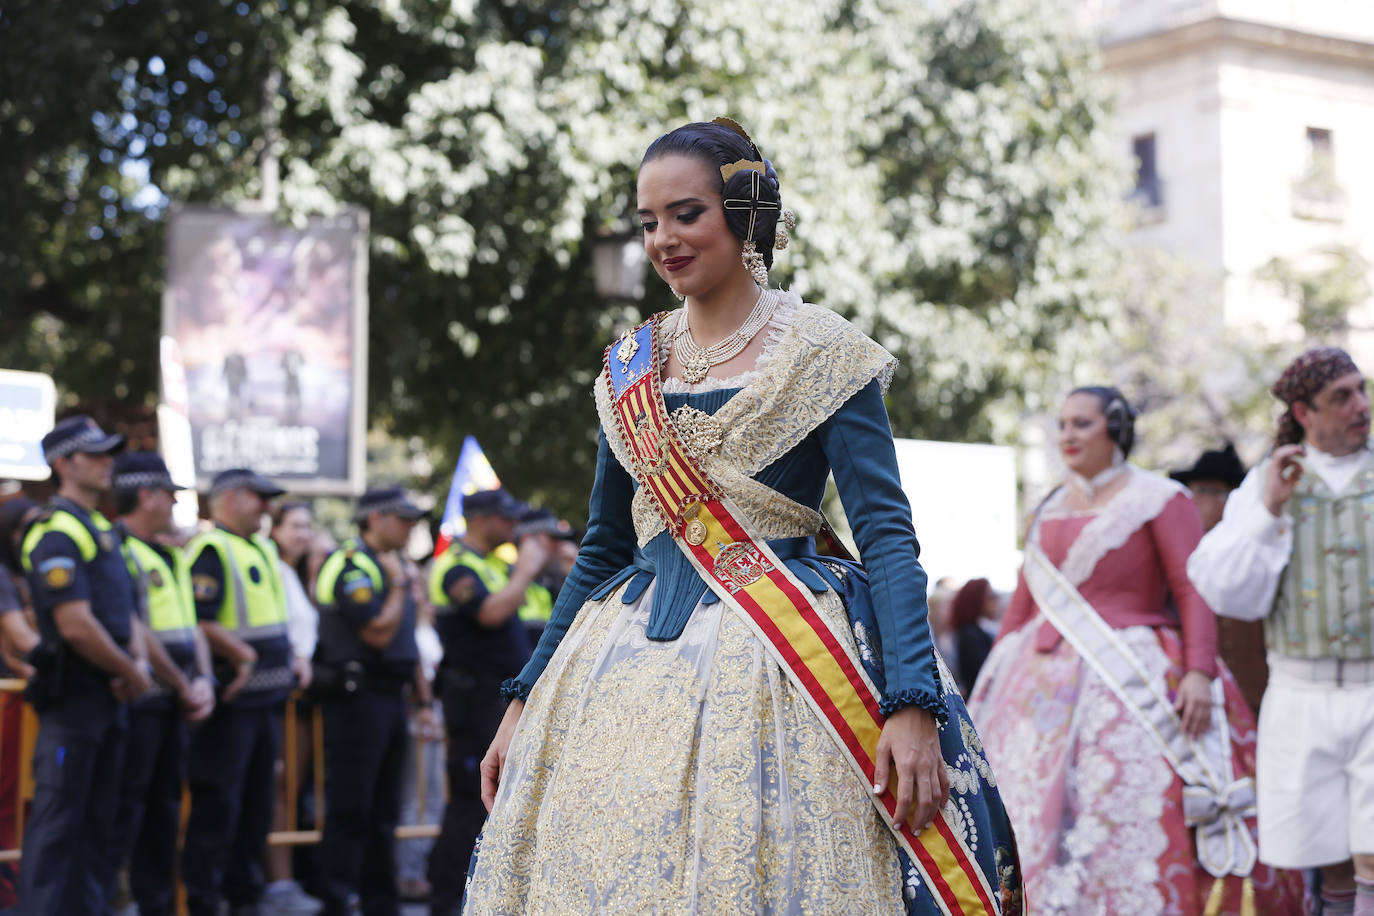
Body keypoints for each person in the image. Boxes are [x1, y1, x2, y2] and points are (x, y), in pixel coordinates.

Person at [462, 119, 1023, 915]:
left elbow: (889, 538)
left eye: (686, 213)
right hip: (614, 672)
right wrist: (525, 699)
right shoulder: (629, 367)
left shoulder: (826, 351)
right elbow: (601, 551)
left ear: (746, 211)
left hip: (784, 668)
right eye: (648, 222)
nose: (663, 240)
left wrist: (910, 702)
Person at [968, 387, 1300, 915]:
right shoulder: (1050, 504)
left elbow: (1193, 589)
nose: (1068, 435)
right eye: (1063, 424)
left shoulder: (1160, 498)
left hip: (1135, 674)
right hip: (1035, 684)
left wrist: (1197, 672)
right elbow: (1023, 603)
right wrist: (988, 682)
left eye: (1082, 424)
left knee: (1118, 804)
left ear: (1115, 428)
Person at [1188, 348, 1374, 916]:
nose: (1360, 406)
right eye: (1341, 396)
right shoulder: (1268, 483)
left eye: (1361, 390)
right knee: (1324, 852)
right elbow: (1223, 589)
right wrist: (1270, 509)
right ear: (1305, 410)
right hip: (1300, 692)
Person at [16, 416, 152, 914]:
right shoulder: (56, 532)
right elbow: (75, 624)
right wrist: (132, 671)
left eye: (107, 453)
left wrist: (134, 663)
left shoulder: (103, 530)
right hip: (74, 702)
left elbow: (126, 615)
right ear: (61, 464)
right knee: (58, 829)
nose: (106, 463)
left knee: (99, 827)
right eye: (94, 455)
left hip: (110, 698)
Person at [313, 486, 436, 916]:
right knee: (351, 807)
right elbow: (378, 633)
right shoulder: (352, 565)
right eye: (402, 519)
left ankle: (380, 902)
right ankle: (338, 898)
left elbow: (407, 644)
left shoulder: (393, 564)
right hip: (355, 701)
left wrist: (422, 703)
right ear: (376, 518)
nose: (409, 528)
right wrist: (401, 587)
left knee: (384, 811)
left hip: (390, 699)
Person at [426, 488, 548, 916]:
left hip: (497, 703)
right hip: (472, 701)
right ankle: (446, 901)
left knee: (495, 801)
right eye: (506, 518)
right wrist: (528, 570)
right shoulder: (455, 566)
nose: (515, 528)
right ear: (480, 520)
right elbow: (491, 614)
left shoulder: (493, 565)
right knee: (468, 803)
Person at [182, 467, 295, 916]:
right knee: (219, 805)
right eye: (258, 498)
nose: (267, 508)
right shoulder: (211, 549)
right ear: (228, 499)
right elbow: (201, 619)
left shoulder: (259, 548)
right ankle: (206, 900)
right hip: (231, 704)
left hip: (264, 702)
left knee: (255, 807)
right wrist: (243, 656)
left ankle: (244, 895)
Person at [108, 452, 217, 916]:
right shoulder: (119, 549)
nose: (175, 503)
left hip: (174, 703)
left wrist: (205, 678)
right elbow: (138, 628)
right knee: (128, 811)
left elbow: (192, 626)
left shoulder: (170, 553)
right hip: (142, 705)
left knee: (163, 814)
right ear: (146, 494)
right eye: (170, 494)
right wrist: (183, 682)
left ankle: (153, 904)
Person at [1170, 445, 1267, 713]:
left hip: (1256, 694)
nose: (1194, 500)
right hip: (1201, 699)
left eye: (1202, 491)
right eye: (1191, 491)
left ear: (1228, 498)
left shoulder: (1254, 551)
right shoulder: (1178, 556)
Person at [264, 499, 324, 916]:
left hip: (298, 702)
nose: (302, 534)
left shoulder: (297, 572)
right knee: (278, 787)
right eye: (294, 526)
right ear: (275, 530)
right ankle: (277, 883)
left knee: (290, 788)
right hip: (276, 696)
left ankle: (285, 879)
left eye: (307, 526)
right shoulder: (271, 567)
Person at [0, 496, 39, 913]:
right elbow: (21, 643)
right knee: (8, 799)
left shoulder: (30, 574)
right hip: (10, 704)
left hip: (28, 703)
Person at [949, 578, 999, 696]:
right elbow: (985, 672)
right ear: (977, 600)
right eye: (991, 596)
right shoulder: (969, 634)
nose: (996, 601)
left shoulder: (977, 631)